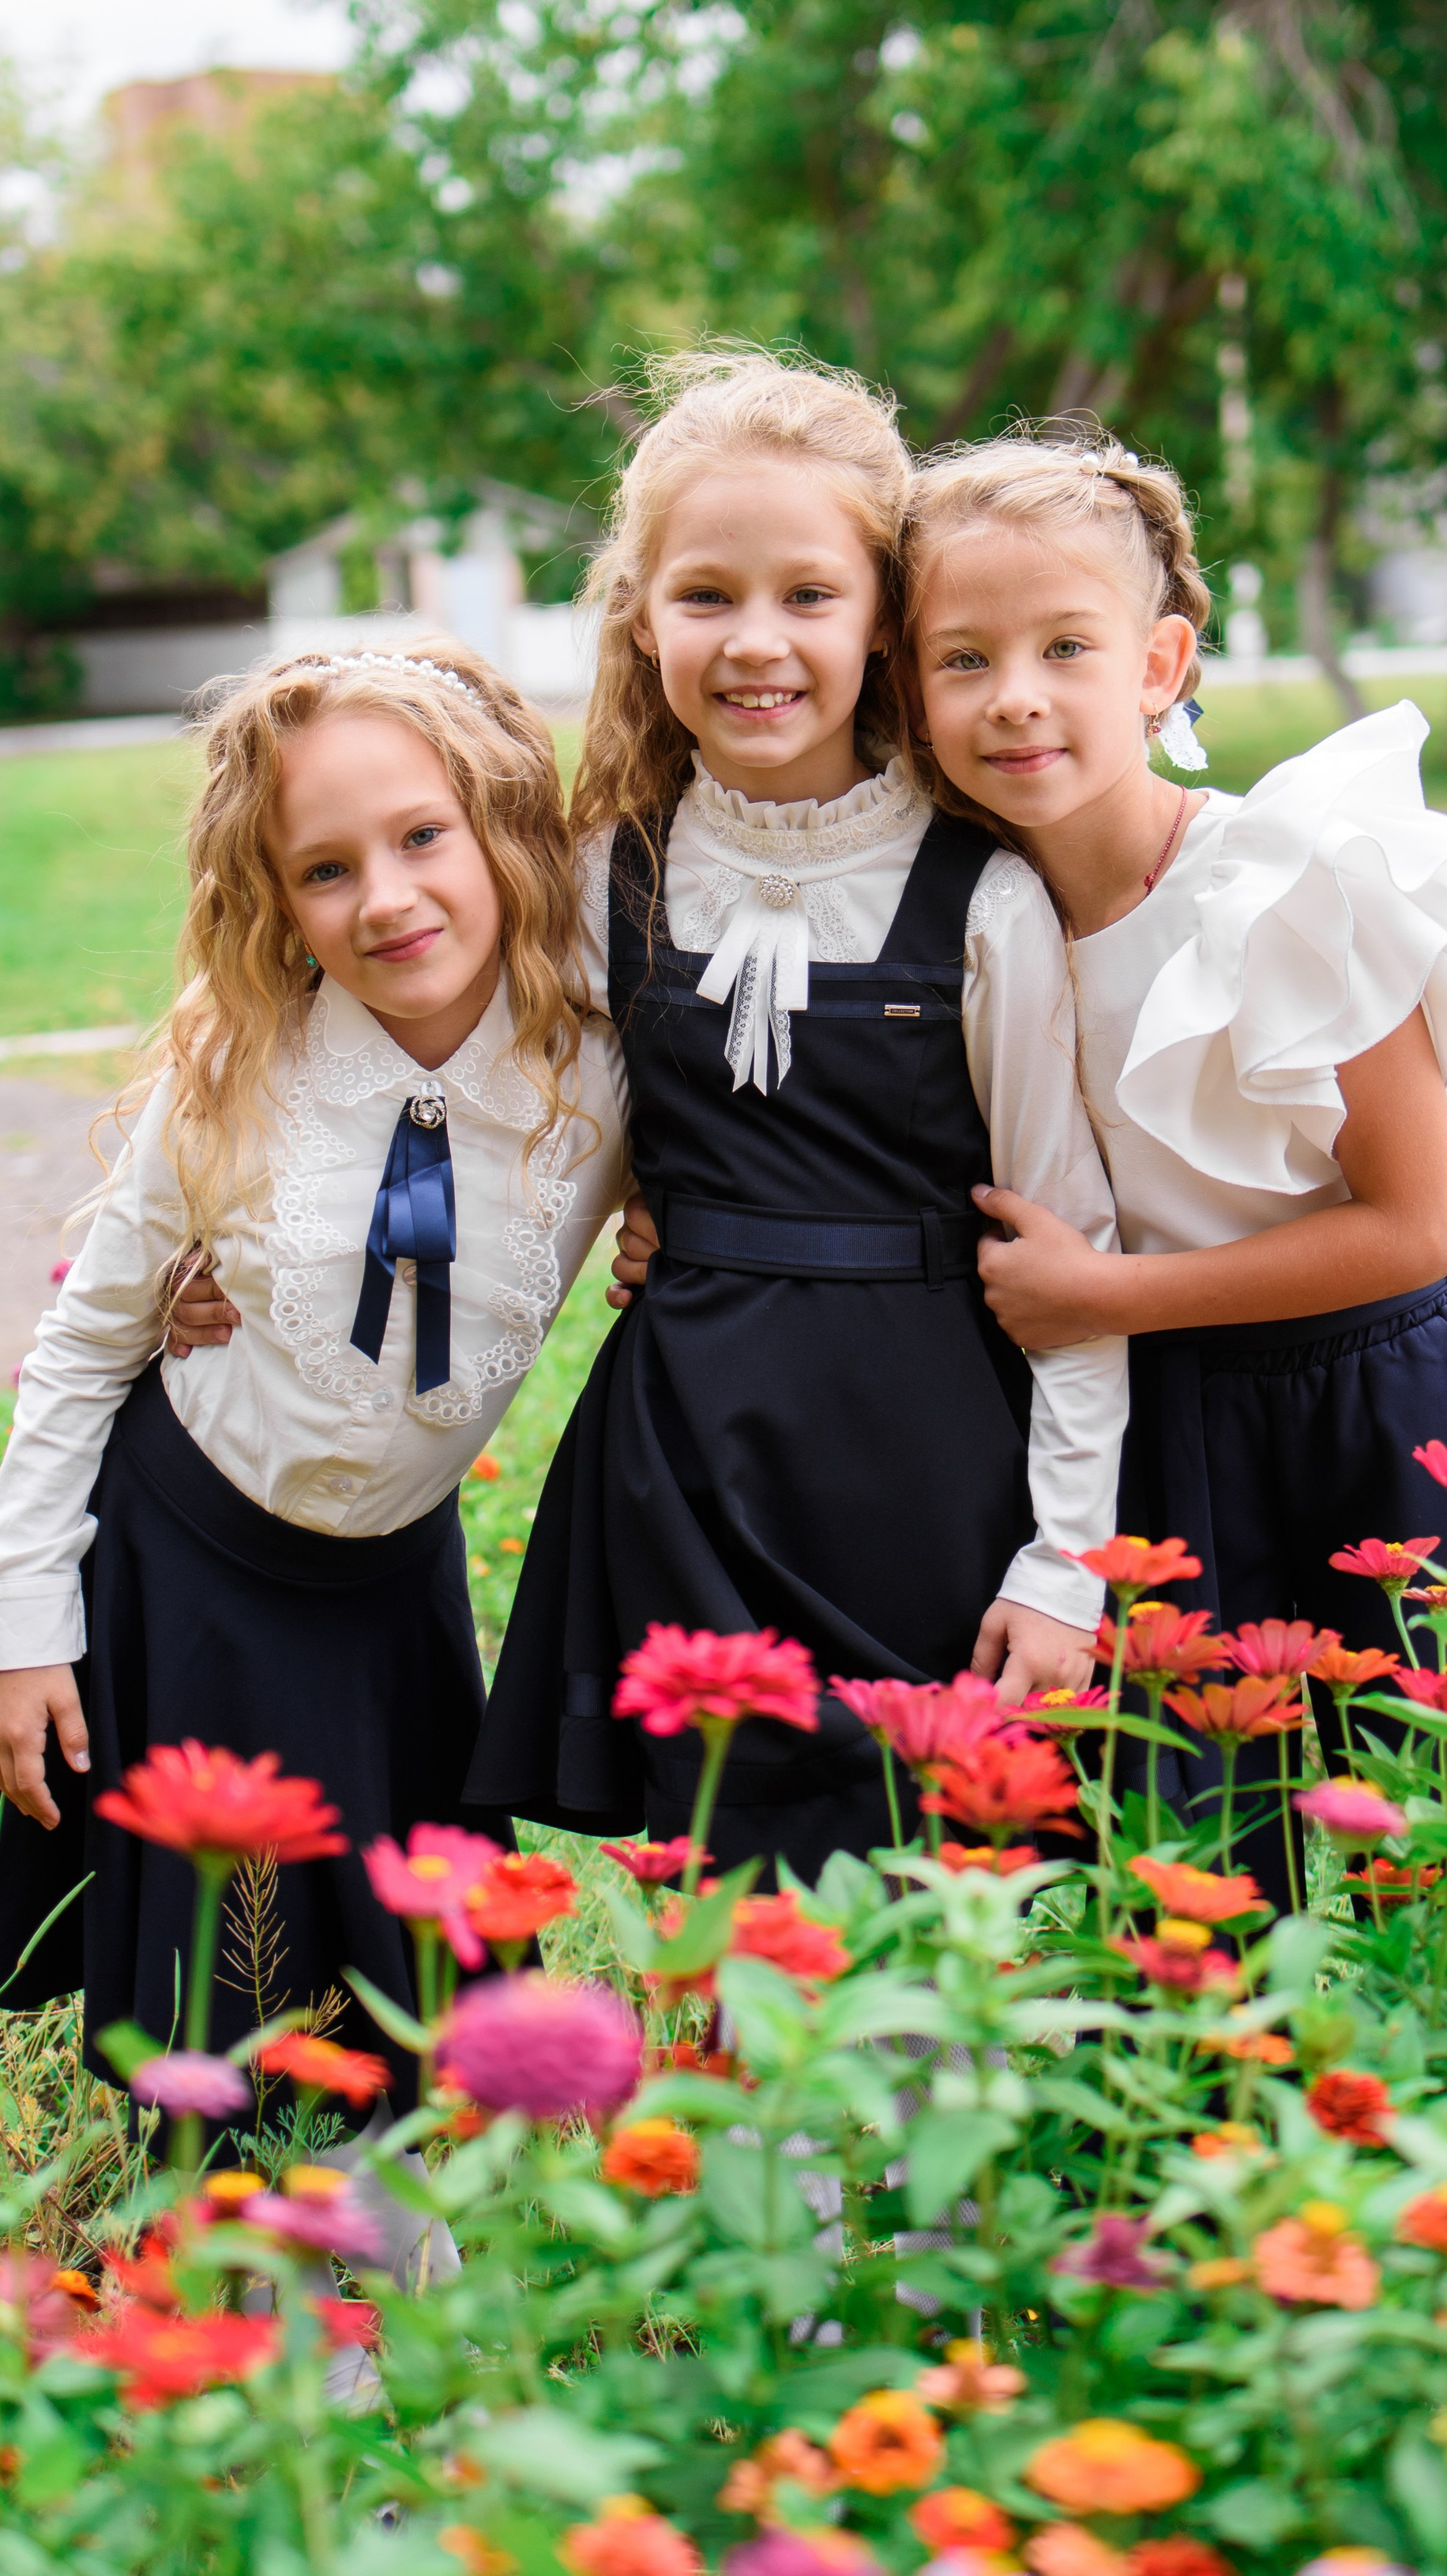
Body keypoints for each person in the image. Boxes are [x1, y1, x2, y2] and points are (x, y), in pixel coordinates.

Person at [465, 350, 1130, 1881]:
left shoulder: (984, 898)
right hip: (683, 1460)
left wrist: (1064, 1561)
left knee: (920, 1880)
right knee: (732, 1888)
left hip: (929, 1465)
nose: (754, 642)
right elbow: (515, 1157)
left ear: (882, 618)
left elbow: (1069, 1255)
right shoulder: (605, 874)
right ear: (639, 616)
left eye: (807, 597)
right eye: (705, 596)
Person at [894, 423, 1447, 1903]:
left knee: (1441, 1831)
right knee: (1192, 1862)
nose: (1016, 698)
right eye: (963, 659)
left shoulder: (1285, 883)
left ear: (1160, 663)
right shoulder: (952, 922)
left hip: (1364, 1398)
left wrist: (1110, 1296)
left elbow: (1412, 1230)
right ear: (912, 687)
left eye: (1067, 645)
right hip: (1153, 1418)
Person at [0, 644, 626, 2093]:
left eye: (422, 836)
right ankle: (230, 2274)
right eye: (324, 871)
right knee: (212, 1971)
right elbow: (87, 1344)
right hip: (187, 1554)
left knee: (408, 1958)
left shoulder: (603, 1051)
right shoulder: (238, 1075)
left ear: (500, 822)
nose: (384, 898)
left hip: (391, 1579)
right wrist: (17, 1621)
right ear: (274, 902)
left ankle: (403, 2255)